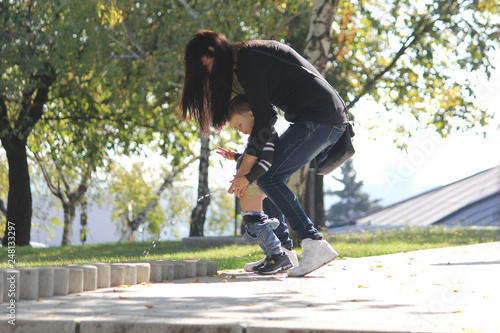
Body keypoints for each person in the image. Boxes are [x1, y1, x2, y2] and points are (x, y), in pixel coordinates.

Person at [181, 30, 348, 277]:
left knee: (268, 178)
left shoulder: (249, 59)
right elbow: (267, 115)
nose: (205, 73)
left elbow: (265, 120)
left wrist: (245, 172)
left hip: (321, 119)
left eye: (203, 65)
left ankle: (314, 243)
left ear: (212, 52)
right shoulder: (245, 62)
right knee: (267, 177)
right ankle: (282, 253)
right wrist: (246, 167)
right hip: (314, 119)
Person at [217, 94, 298, 274]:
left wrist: (246, 178)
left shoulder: (265, 133)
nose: (240, 130)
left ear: (252, 114)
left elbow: (266, 162)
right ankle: (273, 254)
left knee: (253, 221)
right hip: (255, 183)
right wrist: (236, 157)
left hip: (257, 183)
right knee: (253, 220)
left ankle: (278, 256)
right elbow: (256, 158)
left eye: (239, 124)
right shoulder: (258, 135)